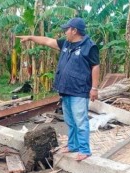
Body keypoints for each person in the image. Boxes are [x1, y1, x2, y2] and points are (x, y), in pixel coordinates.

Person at [17, 17, 100, 161]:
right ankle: (73, 145)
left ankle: (85, 150)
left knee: (80, 121)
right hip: (65, 89)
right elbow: (47, 41)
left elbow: (95, 67)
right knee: (70, 120)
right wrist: (31, 37)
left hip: (79, 90)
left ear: (74, 31)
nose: (65, 32)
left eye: (66, 29)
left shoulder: (89, 46)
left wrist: (94, 88)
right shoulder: (66, 43)